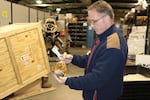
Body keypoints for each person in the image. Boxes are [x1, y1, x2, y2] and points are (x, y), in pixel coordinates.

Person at [53, 0, 128, 100]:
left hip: (101, 96)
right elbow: (92, 60)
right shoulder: (103, 37)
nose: (91, 26)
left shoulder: (112, 45)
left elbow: (97, 79)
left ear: (106, 18)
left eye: (94, 21)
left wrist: (68, 81)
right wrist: (73, 59)